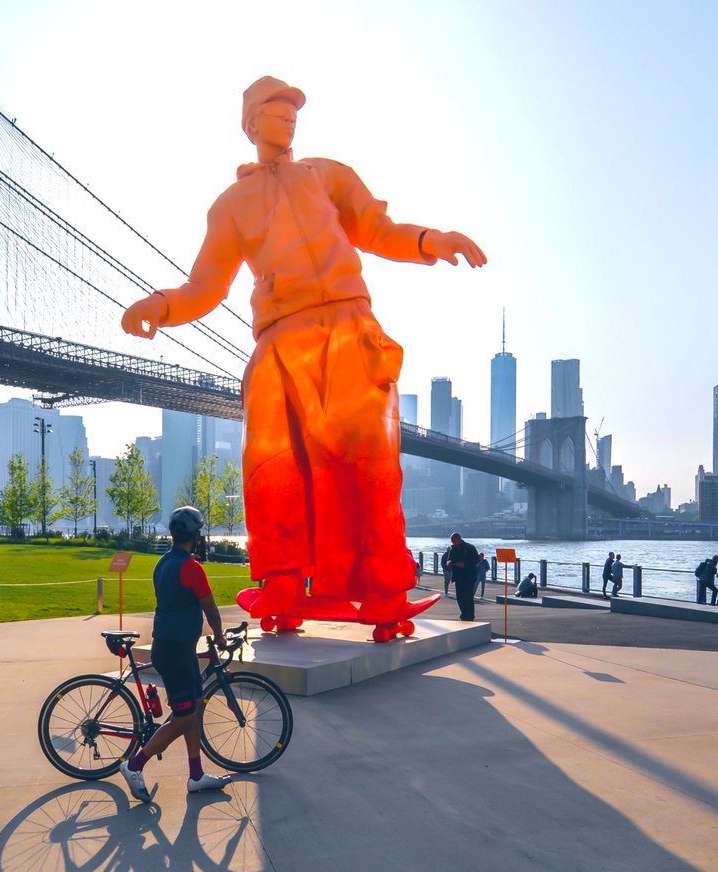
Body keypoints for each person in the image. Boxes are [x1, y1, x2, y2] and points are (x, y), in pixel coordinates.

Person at [121, 77, 486, 628]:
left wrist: (431, 239)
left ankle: (385, 588)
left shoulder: (328, 174)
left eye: (293, 110)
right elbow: (207, 286)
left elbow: (377, 229)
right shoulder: (231, 205)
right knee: (274, 465)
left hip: (349, 324)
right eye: (275, 110)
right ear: (250, 123)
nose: (288, 118)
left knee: (372, 463)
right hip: (280, 337)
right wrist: (161, 305)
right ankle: (282, 583)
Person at [118, 506, 230, 803]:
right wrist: (219, 636)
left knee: (191, 708)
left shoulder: (164, 562)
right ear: (196, 535)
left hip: (173, 646)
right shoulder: (191, 567)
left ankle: (196, 776)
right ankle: (134, 765)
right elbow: (211, 609)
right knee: (183, 717)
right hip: (176, 650)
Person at [445, 533, 480, 621]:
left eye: (455, 541)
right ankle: (464, 614)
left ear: (459, 539)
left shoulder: (469, 547)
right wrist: (449, 562)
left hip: (469, 575)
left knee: (468, 596)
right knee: (460, 596)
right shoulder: (452, 549)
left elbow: (476, 559)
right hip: (458, 575)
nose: (454, 543)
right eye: (452, 542)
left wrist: (465, 564)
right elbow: (449, 559)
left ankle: (470, 615)